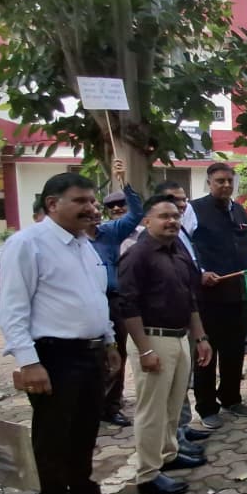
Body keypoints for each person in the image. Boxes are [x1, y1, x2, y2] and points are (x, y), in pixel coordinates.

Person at [0, 172, 130, 494]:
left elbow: (96, 298)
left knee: (85, 431)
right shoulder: (28, 244)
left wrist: (109, 341)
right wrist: (29, 362)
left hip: (90, 353)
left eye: (92, 200)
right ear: (53, 204)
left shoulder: (84, 245)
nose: (91, 208)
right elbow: (13, 308)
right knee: (53, 440)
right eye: (80, 201)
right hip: (53, 356)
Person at [118, 195, 214, 494]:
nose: (171, 221)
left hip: (179, 336)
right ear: (147, 221)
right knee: (152, 411)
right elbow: (127, 304)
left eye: (175, 216)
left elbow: (190, 297)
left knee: (173, 405)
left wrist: (200, 337)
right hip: (152, 338)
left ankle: (168, 454)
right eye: (163, 216)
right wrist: (145, 349)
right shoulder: (137, 255)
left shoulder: (178, 251)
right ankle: (148, 473)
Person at [191, 162, 247, 427]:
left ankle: (231, 398)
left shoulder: (239, 211)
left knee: (234, 352)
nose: (226, 185)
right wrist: (200, 272)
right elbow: (185, 247)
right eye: (220, 181)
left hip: (237, 295)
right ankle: (207, 408)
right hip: (208, 297)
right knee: (206, 355)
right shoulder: (194, 210)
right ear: (209, 183)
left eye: (229, 180)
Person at [148, 180, 209, 456]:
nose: (180, 207)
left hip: (184, 320)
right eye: (173, 201)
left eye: (183, 201)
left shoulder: (181, 232)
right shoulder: (144, 248)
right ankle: (168, 446)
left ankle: (181, 430)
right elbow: (131, 301)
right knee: (164, 393)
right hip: (159, 330)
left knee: (181, 384)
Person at [89, 163, 144, 428]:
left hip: (113, 301)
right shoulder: (70, 239)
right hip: (84, 305)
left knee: (117, 354)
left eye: (93, 204)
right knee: (90, 359)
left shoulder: (109, 233)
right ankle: (90, 406)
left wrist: (125, 183)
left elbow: (137, 215)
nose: (91, 210)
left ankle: (111, 406)